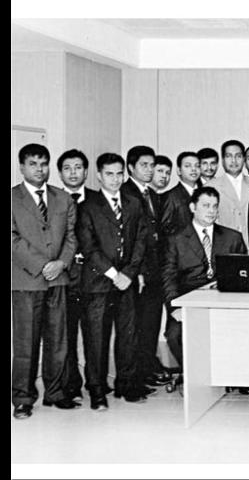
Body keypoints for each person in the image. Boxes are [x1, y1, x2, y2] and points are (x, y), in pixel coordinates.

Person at [77, 152, 152, 408]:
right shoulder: (88, 206)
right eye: (109, 174)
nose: (115, 179)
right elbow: (89, 247)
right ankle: (97, 390)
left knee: (128, 336)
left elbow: (140, 241)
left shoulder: (134, 203)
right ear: (99, 175)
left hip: (126, 282)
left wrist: (129, 273)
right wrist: (113, 274)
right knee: (97, 339)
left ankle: (126, 385)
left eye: (119, 173)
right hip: (99, 283)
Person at [11, 143, 78, 418]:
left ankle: (56, 392)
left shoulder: (63, 198)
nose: (39, 169)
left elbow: (71, 236)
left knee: (58, 340)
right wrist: (42, 265)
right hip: (26, 281)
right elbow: (12, 238)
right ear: (22, 167)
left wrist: (61, 263)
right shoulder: (12, 198)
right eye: (33, 164)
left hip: (58, 279)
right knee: (26, 342)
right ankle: (23, 398)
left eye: (43, 164)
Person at [161, 186, 248, 393]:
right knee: (175, 335)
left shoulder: (232, 237)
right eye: (206, 206)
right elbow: (168, 277)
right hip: (188, 301)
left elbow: (243, 275)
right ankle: (196, 378)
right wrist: (174, 308)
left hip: (223, 300)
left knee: (241, 330)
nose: (211, 211)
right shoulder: (176, 239)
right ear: (193, 207)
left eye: (214, 206)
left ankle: (231, 375)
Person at [121, 145, 171, 389]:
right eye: (144, 165)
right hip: (137, 272)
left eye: (152, 165)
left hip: (155, 270)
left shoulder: (151, 193)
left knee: (151, 322)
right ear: (131, 167)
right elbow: (131, 238)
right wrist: (138, 270)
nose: (149, 170)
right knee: (137, 325)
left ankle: (148, 365)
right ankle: (137, 372)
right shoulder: (125, 193)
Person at [57, 149, 98, 402]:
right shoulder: (53, 199)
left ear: (86, 171)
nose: (73, 173)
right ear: (60, 173)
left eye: (78, 167)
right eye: (67, 168)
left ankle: (96, 383)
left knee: (95, 335)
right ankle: (71, 383)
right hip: (65, 277)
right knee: (67, 333)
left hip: (95, 278)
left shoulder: (98, 200)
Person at [207, 140, 249, 250]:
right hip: (223, 250)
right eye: (229, 156)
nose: (234, 160)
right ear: (223, 160)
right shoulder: (210, 187)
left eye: (238, 156)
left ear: (244, 159)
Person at [160, 151, 201, 237]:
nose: (193, 169)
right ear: (179, 171)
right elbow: (165, 229)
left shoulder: (205, 193)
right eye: (188, 166)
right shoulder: (170, 196)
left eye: (197, 166)